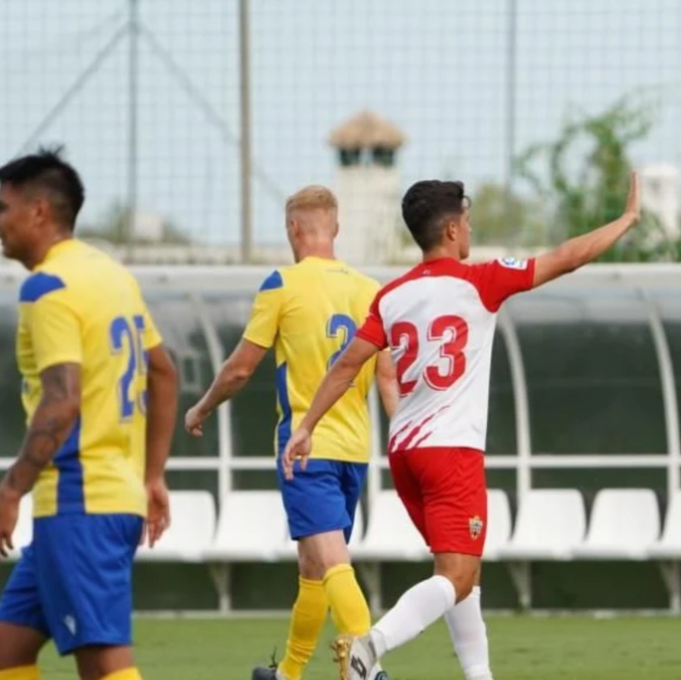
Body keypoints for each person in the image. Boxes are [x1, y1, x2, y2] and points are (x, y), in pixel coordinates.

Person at [280, 172, 640, 680]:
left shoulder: (392, 296)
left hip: (406, 453)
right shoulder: (480, 282)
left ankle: (480, 675)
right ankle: (369, 647)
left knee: (464, 577)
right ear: (451, 230)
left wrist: (306, 426)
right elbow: (567, 257)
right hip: (451, 452)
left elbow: (346, 366)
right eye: (467, 221)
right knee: (456, 575)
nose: (470, 229)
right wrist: (626, 219)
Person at [183, 186, 399, 680]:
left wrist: (201, 407)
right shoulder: (372, 290)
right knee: (313, 566)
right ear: (336, 229)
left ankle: (370, 669)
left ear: (293, 229)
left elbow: (241, 368)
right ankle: (290, 673)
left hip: (306, 447)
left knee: (333, 562)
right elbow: (387, 376)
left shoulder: (282, 283)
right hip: (354, 450)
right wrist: (403, 440)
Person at [0, 148, 179, 680]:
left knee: (103, 663)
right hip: (108, 495)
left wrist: (10, 490)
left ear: (38, 212)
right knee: (8, 648)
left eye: (4, 208)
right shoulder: (111, 275)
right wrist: (152, 475)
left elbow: (61, 400)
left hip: (82, 499)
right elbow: (164, 373)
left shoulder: (48, 287)